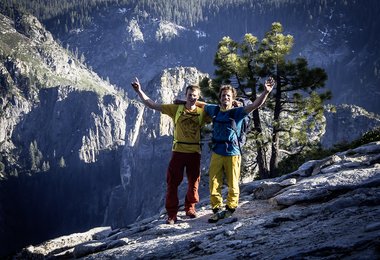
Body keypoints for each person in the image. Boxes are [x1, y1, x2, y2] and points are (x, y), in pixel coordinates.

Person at [131, 77, 207, 225]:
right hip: (178, 151)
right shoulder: (176, 109)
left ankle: (190, 208)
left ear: (198, 97)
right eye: (190, 95)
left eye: (195, 96)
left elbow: (218, 109)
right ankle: (172, 214)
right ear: (186, 95)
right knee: (172, 183)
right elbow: (152, 104)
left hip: (194, 152)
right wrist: (139, 91)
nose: (192, 98)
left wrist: (195, 103)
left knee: (194, 183)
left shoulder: (202, 112)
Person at [197, 77, 275, 223]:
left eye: (228, 96)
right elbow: (202, 104)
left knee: (233, 182)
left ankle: (230, 209)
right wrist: (184, 102)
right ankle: (217, 209)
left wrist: (265, 92)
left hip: (233, 152)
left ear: (232, 99)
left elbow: (255, 105)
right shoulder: (214, 109)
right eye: (223, 96)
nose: (225, 97)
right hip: (217, 151)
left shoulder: (237, 112)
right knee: (214, 181)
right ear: (219, 98)